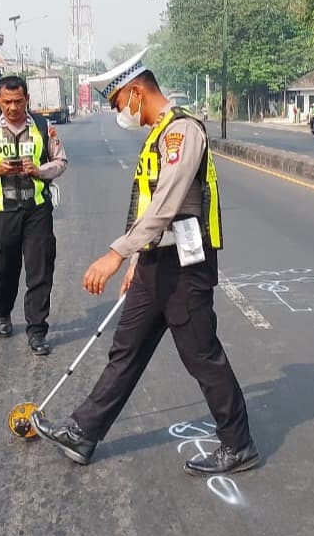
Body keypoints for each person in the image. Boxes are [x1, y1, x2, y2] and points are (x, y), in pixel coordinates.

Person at [32, 48, 259, 476]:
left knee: (201, 355)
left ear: (136, 92)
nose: (119, 111)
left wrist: (117, 253)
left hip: (185, 268)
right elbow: (149, 208)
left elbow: (168, 202)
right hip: (156, 263)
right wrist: (137, 259)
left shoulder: (182, 132)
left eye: (118, 102)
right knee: (126, 350)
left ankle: (238, 443)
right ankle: (83, 432)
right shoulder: (158, 134)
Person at [0, 76, 68, 356]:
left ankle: (37, 331)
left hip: (37, 211)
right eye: (7, 102)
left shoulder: (44, 128)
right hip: (2, 212)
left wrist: (39, 170)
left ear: (27, 100)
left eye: (19, 101)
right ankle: (2, 312)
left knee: (40, 270)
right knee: (3, 270)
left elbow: (61, 161)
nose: (13, 107)